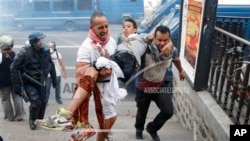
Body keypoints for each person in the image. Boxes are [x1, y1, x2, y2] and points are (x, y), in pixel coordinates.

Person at [134, 25, 185, 141]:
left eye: (165, 40)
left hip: (159, 86)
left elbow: (176, 59)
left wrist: (181, 71)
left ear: (169, 39)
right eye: (159, 40)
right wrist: (147, 38)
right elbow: (135, 41)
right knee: (142, 112)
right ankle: (139, 129)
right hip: (143, 87)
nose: (162, 43)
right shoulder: (145, 47)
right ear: (154, 38)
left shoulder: (172, 50)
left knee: (168, 111)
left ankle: (152, 128)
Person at [10, 31, 57, 130]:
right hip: (29, 82)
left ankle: (39, 119)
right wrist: (16, 84)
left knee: (43, 102)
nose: (42, 42)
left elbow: (51, 65)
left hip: (41, 82)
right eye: (40, 40)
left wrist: (54, 79)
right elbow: (13, 67)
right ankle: (32, 120)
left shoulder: (45, 51)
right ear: (34, 42)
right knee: (36, 103)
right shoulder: (24, 52)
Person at [0, 35, 25, 121]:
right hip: (15, 80)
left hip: (2, 82)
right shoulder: (15, 54)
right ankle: (19, 116)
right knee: (16, 98)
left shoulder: (0, 56)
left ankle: (9, 117)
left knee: (5, 100)